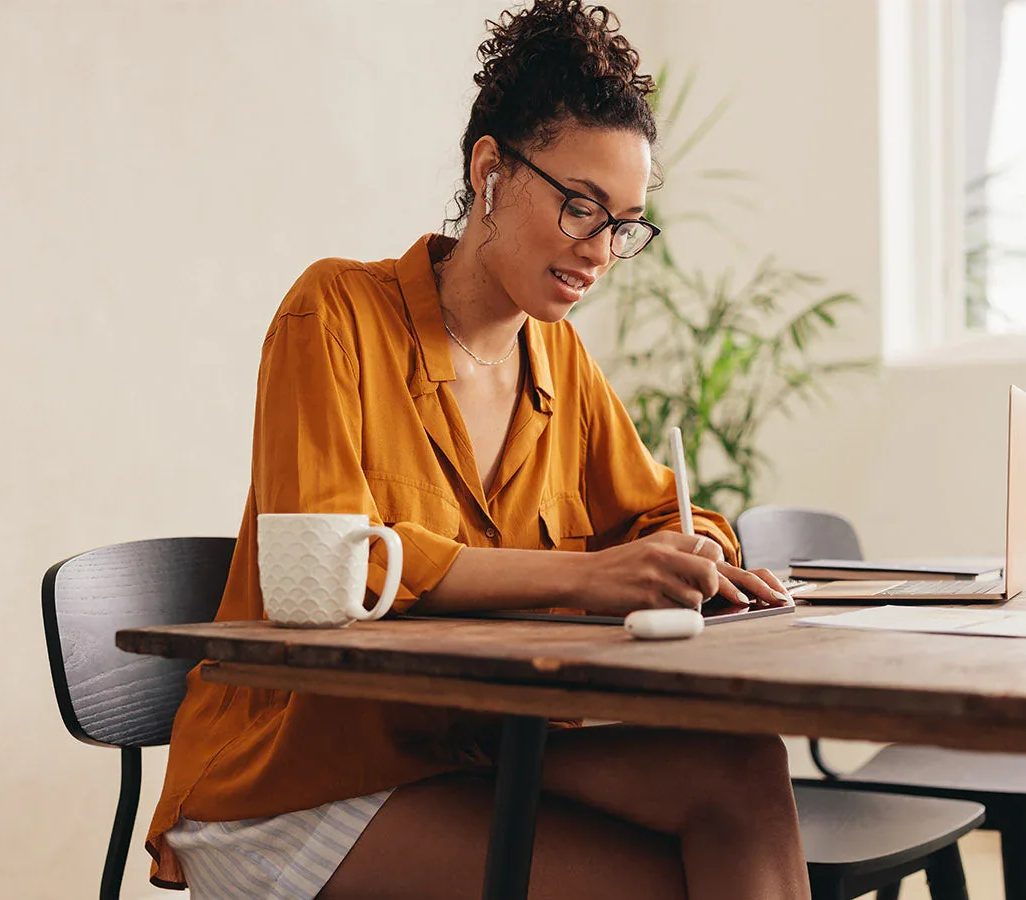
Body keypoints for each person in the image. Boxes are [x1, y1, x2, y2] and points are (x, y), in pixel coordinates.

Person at [146, 2, 806, 897]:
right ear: (490, 170)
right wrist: (590, 579)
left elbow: (657, 508)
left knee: (742, 770)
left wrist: (699, 551)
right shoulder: (333, 314)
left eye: (624, 224)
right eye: (581, 207)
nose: (601, 252)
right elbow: (336, 561)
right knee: (655, 883)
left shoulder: (558, 359)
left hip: (464, 747)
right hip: (297, 775)